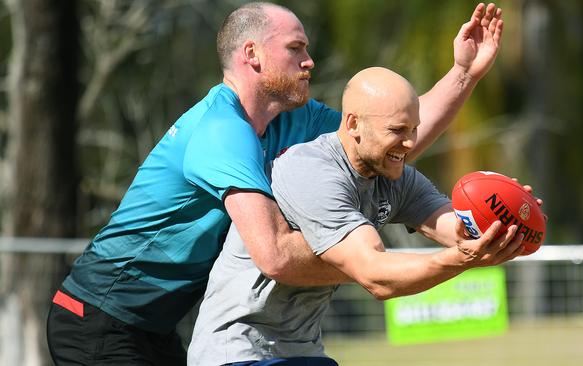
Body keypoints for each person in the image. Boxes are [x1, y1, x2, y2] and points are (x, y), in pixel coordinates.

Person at [47, 2, 504, 365]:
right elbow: (276, 256)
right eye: (296, 48)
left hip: (157, 326)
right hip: (99, 317)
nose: (309, 60)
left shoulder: (295, 120)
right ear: (252, 55)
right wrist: (365, 258)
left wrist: (465, 71)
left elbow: (385, 136)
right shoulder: (221, 132)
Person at [188, 67, 530, 366]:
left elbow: (459, 232)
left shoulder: (396, 178)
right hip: (237, 350)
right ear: (353, 124)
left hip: (303, 351)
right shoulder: (312, 171)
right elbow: (375, 276)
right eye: (398, 130)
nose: (410, 143)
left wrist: (501, 217)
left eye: (414, 129)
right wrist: (460, 260)